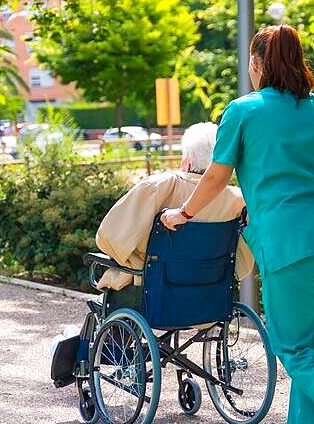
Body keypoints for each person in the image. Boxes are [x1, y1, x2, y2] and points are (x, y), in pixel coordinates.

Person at [160, 25, 314, 424]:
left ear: (258, 64)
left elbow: (217, 178)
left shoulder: (242, 111)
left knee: (292, 346)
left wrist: (183, 212)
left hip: (290, 245)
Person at [94, 122, 254, 296]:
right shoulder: (239, 200)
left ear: (186, 161)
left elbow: (109, 238)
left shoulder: (158, 187)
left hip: (155, 294)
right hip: (210, 293)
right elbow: (242, 264)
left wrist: (136, 259)